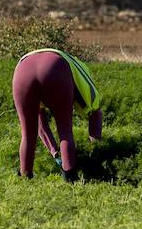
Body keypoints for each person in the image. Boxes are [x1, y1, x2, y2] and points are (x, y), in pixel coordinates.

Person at [11, 48, 103, 181]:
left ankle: (25, 177)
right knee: (65, 132)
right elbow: (96, 111)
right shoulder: (83, 73)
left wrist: (55, 153)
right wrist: (97, 154)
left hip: (22, 70)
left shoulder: (71, 66)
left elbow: (40, 125)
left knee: (27, 135)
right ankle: (71, 178)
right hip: (55, 68)